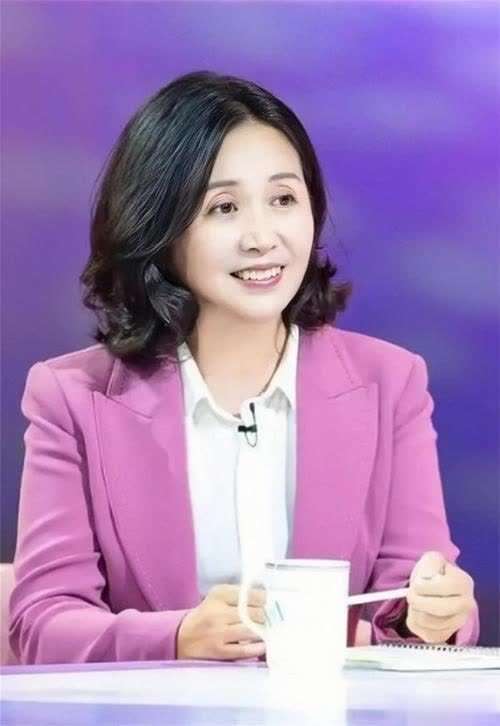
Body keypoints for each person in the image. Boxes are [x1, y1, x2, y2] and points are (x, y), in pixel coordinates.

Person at [9, 70, 479, 665]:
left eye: (284, 199)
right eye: (224, 207)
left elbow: (414, 603)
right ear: (159, 227)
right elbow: (41, 624)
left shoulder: (391, 382)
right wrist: (178, 637)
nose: (262, 237)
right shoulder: (71, 398)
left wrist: (435, 613)